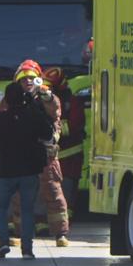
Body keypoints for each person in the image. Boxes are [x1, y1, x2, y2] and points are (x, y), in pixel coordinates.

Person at [0, 78, 54, 260]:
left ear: (7, 99)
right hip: (29, 170)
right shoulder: (32, 115)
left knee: (1, 208)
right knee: (27, 210)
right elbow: (48, 133)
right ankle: (27, 249)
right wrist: (32, 106)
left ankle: (3, 243)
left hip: (5, 170)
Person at [43, 67, 85, 222]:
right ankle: (45, 223)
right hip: (52, 157)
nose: (47, 90)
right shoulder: (44, 101)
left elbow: (73, 126)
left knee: (65, 193)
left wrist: (52, 127)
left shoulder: (72, 102)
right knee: (47, 192)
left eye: (50, 87)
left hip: (70, 158)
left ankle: (63, 224)